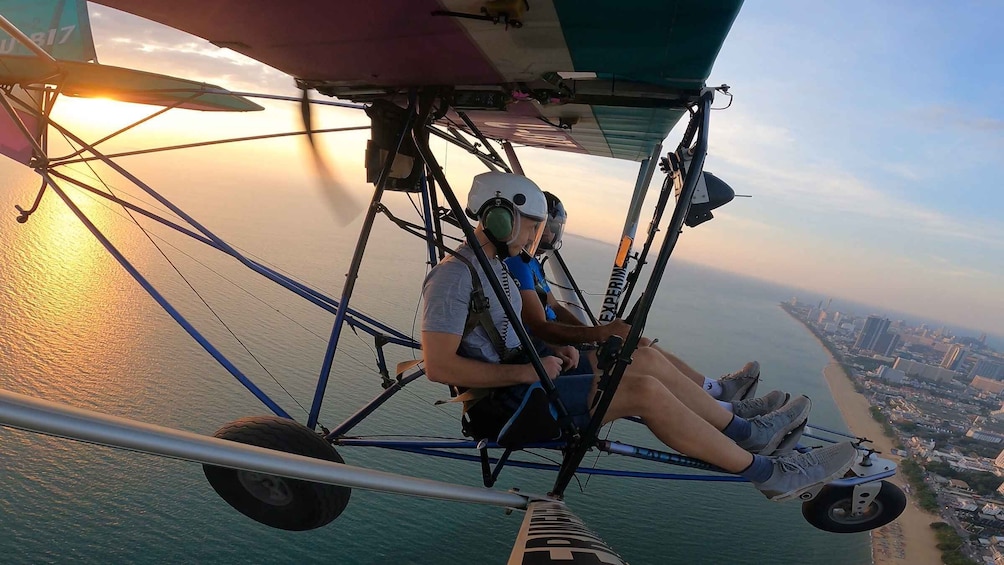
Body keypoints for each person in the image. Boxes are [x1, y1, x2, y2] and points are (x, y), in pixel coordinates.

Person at [420, 171, 857, 501]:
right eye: (530, 226)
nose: (536, 237)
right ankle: (771, 474)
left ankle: (743, 426)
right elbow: (440, 367)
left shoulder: (492, 266)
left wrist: (555, 348)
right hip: (506, 410)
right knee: (643, 390)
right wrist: (528, 370)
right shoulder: (454, 277)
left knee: (639, 360)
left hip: (530, 383)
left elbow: (510, 333)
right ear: (500, 218)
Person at [505, 191, 774, 418]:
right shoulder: (517, 263)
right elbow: (538, 325)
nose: (550, 237)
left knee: (641, 345)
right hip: (555, 358)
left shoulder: (530, 264)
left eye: (552, 230)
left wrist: (596, 335)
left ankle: (714, 391)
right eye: (545, 230)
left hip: (562, 351)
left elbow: (555, 306)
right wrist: (596, 335)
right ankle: (722, 408)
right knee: (641, 358)